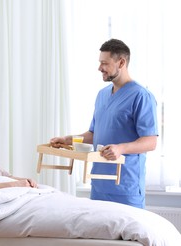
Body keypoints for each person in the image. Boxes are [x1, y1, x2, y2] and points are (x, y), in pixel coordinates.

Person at [50, 39, 158, 209]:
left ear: (121, 62)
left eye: (104, 63)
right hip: (99, 185)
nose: (99, 68)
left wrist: (120, 148)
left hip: (125, 187)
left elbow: (150, 142)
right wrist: (68, 140)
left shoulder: (141, 96)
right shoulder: (102, 95)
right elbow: (94, 134)